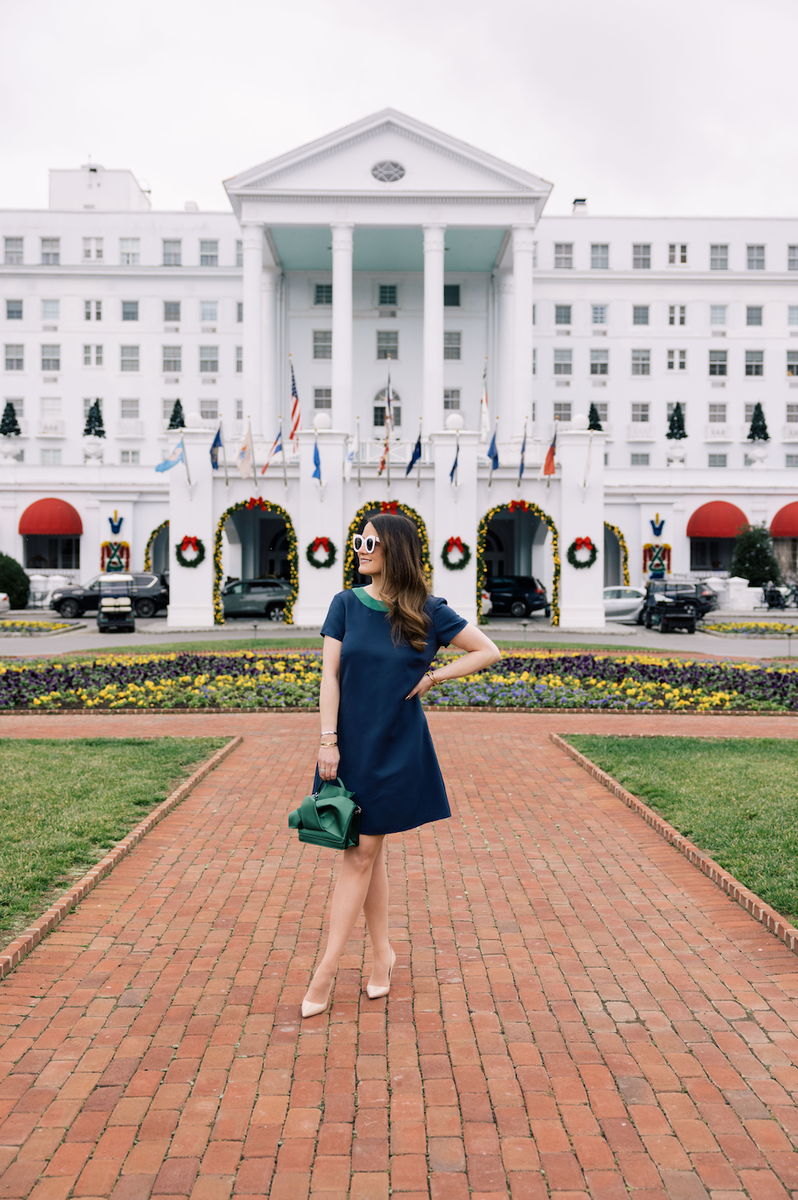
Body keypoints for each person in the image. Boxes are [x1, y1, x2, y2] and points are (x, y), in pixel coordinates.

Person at [301, 512, 501, 1018]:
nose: (360, 548)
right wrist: (328, 740)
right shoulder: (345, 603)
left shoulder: (426, 611)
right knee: (369, 851)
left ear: (394, 548)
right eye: (357, 541)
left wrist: (434, 678)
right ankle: (382, 955)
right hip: (349, 744)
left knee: (363, 853)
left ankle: (325, 970)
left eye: (369, 541)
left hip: (396, 744)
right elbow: (330, 676)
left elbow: (487, 650)